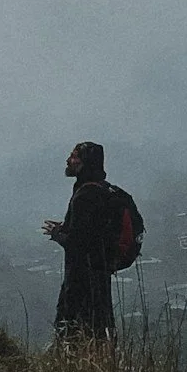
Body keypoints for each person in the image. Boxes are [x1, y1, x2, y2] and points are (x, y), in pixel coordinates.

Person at [43, 139, 119, 339]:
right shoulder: (102, 190)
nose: (68, 160)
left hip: (80, 280)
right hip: (100, 276)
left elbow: (77, 243)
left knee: (71, 330)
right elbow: (89, 232)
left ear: (84, 163)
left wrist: (57, 234)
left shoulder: (85, 195)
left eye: (74, 156)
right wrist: (66, 227)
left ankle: (70, 367)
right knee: (98, 330)